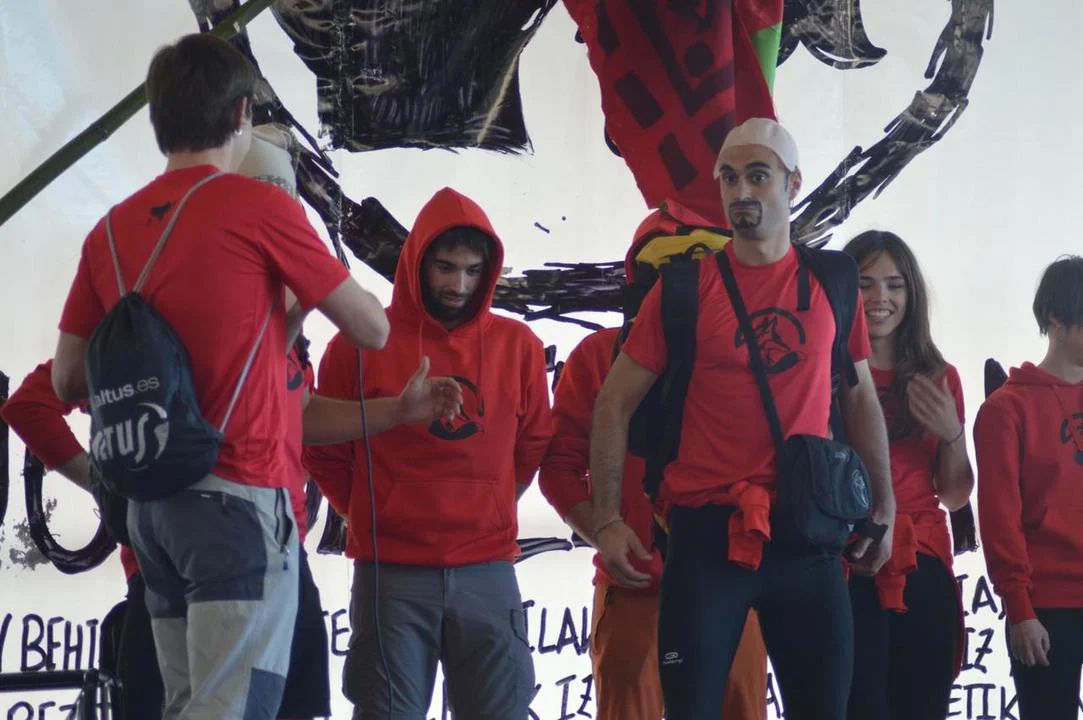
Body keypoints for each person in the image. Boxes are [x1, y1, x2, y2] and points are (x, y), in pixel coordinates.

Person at [49, 33, 390, 720]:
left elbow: (65, 380)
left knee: (188, 706)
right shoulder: (260, 209)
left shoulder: (109, 231)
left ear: (157, 118)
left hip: (150, 510)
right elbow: (372, 330)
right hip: (238, 498)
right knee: (233, 709)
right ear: (240, 114)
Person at [588, 118, 895, 719]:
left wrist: (883, 505)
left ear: (793, 183)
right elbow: (613, 402)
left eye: (758, 176)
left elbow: (859, 399)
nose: (741, 191)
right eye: (729, 178)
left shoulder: (833, 282)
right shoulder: (682, 289)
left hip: (808, 532)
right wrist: (605, 519)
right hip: (707, 535)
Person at [305, 187, 553, 719]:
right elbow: (322, 449)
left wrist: (493, 502)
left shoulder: (520, 346)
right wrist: (372, 509)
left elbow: (533, 442)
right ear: (417, 262)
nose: (458, 285)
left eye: (472, 271)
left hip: (487, 569)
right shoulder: (357, 343)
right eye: (445, 267)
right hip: (390, 574)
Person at [539, 204, 768, 720]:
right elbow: (558, 467)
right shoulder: (596, 357)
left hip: (731, 580)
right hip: (635, 583)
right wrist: (603, 528)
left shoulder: (754, 355)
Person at [840, 231, 974, 719]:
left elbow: (955, 496)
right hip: (845, 559)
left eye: (894, 285)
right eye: (865, 284)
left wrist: (952, 433)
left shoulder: (939, 376)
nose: (881, 298)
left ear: (911, 294)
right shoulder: (822, 372)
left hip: (922, 559)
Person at [1, 361, 159, 720]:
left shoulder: (130, 347)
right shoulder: (135, 345)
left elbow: (28, 406)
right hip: (182, 584)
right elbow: (28, 406)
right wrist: (108, 490)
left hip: (171, 585)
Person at [975, 255, 1083, 720]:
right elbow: (999, 518)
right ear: (1057, 320)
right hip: (1047, 605)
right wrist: (1019, 608)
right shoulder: (1007, 409)